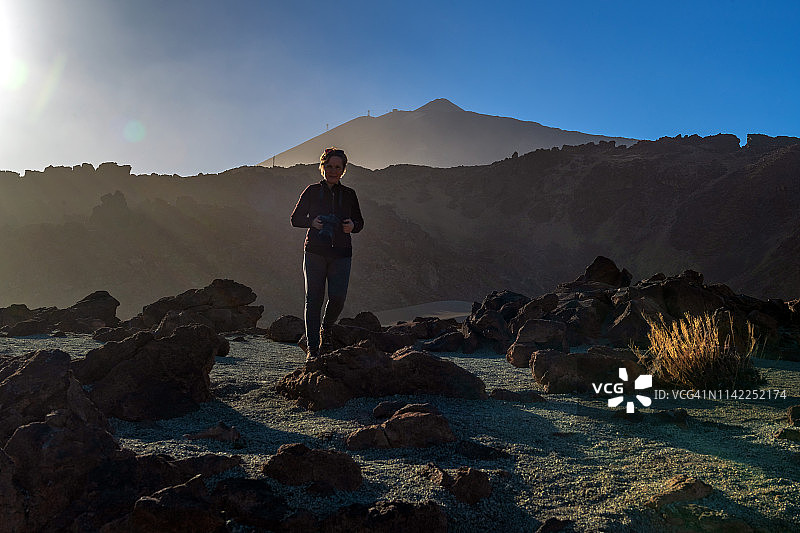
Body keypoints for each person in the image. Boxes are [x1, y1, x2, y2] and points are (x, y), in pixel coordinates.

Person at [290, 147, 364, 360]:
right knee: (313, 300)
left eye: (337, 167)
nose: (333, 171)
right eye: (329, 166)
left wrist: (353, 226)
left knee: (338, 298)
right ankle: (313, 350)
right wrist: (311, 222)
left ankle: (326, 328)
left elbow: (359, 222)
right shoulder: (312, 191)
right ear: (322, 168)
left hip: (342, 253)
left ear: (343, 170)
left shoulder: (349, 194)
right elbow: (295, 219)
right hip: (314, 251)